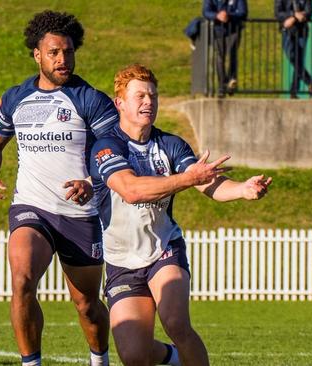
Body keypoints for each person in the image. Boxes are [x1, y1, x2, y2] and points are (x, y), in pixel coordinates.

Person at [0, 11, 176, 366]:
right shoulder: (15, 98)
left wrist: (90, 181)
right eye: (54, 52)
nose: (62, 59)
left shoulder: (90, 100)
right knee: (22, 280)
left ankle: (99, 359)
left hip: (80, 214)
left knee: (86, 303)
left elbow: (115, 149)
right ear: (37, 54)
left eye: (68, 52)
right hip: (30, 207)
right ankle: (30, 362)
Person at [90, 64, 272, 366]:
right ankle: (171, 358)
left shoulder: (170, 145)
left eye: (153, 96)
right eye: (140, 96)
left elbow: (206, 182)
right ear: (119, 102)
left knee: (176, 323)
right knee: (135, 356)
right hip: (121, 261)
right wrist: (189, 179)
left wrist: (242, 189)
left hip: (164, 248)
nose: (149, 102)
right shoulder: (107, 147)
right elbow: (131, 190)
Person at [202, 0, 248, 98]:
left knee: (232, 54)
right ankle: (222, 85)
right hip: (218, 30)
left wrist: (229, 15)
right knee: (220, 56)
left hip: (234, 30)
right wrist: (217, 16)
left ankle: (232, 82)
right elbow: (206, 11)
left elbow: (243, 12)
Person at [275, 0, 312, 99]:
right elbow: (278, 13)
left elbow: (309, 12)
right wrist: (294, 15)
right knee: (293, 57)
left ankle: (294, 92)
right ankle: (309, 81)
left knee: (298, 60)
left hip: (302, 32)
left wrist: (295, 17)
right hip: (287, 31)